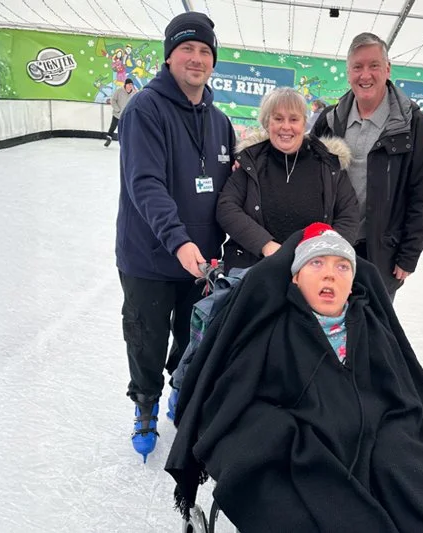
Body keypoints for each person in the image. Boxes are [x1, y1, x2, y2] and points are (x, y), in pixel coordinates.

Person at [166, 223, 423, 533]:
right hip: (301, 440)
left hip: (373, 434)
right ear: (295, 279)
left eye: (342, 267)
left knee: (418, 476)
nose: (330, 274)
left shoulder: (372, 328)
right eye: (316, 263)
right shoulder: (271, 330)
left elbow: (400, 394)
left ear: (353, 282)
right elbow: (236, 399)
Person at [115, 11, 235, 462]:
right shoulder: (145, 110)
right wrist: (179, 241)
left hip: (201, 261)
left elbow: (229, 192)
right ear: (169, 57)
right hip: (148, 258)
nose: (197, 58)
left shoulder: (219, 121)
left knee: (193, 339)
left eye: (205, 51)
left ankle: (180, 391)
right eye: (187, 48)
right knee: (145, 339)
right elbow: (144, 183)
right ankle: (145, 404)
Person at [311, 32, 423, 299]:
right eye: (357, 67)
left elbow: (421, 194)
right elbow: (301, 172)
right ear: (348, 72)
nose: (365, 75)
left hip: (381, 255)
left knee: (371, 331)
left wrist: (409, 254)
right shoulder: (330, 121)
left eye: (373, 65)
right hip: (330, 247)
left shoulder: (412, 124)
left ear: (387, 69)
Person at [216, 87, 359, 273]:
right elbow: (226, 207)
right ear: (267, 123)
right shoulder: (250, 161)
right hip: (255, 269)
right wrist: (266, 245)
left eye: (293, 119)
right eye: (278, 119)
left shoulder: (328, 163)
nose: (286, 127)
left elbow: (349, 215)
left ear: (304, 123)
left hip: (312, 273)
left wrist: (322, 254)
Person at [104, 78, 135, 147]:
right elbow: (113, 100)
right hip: (117, 114)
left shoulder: (133, 93)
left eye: (131, 84)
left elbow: (134, 103)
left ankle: (124, 142)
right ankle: (109, 138)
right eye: (129, 84)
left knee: (125, 129)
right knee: (113, 127)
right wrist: (117, 109)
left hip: (126, 115)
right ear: (125, 85)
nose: (130, 86)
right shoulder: (119, 91)